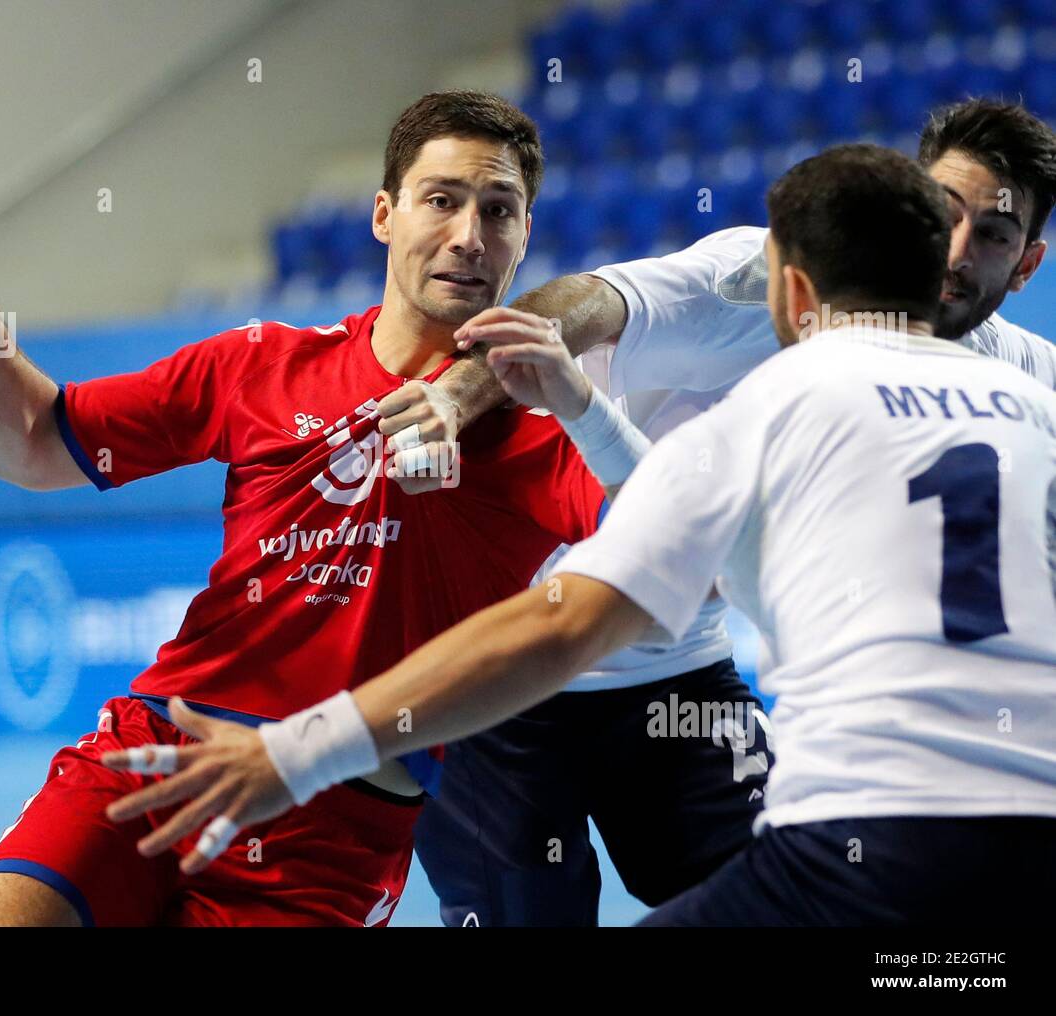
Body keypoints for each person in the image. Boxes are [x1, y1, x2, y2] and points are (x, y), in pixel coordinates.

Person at [143, 143, 1056, 925]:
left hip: (862, 843)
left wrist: (294, 752)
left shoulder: (774, 406)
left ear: (794, 289)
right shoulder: (1033, 406)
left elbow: (566, 621)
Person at [0, 90, 614, 926]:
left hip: (332, 829)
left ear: (524, 237)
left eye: (498, 211)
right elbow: (32, 441)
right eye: (441, 200)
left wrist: (583, 400)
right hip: (157, 757)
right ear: (383, 216)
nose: (468, 236)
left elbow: (670, 546)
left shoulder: (551, 435)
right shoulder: (262, 365)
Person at [402, 97, 1056, 926]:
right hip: (511, 667)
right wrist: (454, 396)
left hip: (675, 674)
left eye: (993, 235)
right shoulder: (766, 279)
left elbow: (701, 583)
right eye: (944, 215)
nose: (956, 254)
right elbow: (583, 301)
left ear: (1027, 264)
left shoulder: (1026, 380)